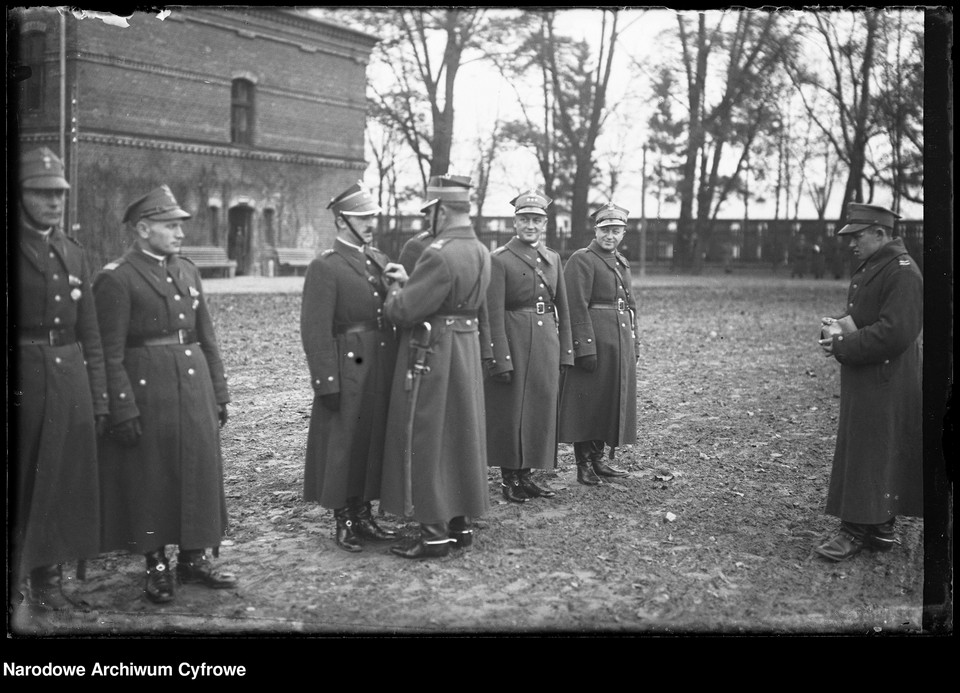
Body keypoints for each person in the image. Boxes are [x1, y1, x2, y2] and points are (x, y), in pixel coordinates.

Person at [93, 185, 237, 604]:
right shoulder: (116, 277)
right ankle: (155, 565)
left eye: (180, 226)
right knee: (152, 475)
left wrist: (219, 392)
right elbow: (108, 351)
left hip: (193, 386)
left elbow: (206, 336)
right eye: (169, 226)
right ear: (142, 229)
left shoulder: (187, 270)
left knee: (197, 468)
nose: (179, 233)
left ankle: (193, 559)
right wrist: (121, 407)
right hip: (147, 388)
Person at [11, 147, 109, 612]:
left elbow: (90, 331)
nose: (53, 202)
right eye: (42, 193)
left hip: (69, 373)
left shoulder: (73, 251)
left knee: (60, 478)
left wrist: (99, 397)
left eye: (60, 194)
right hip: (25, 375)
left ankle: (48, 582)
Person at [378, 174, 491, 558]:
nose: (429, 219)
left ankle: (433, 536)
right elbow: (452, 293)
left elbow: (404, 311)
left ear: (441, 210)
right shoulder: (479, 248)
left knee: (429, 438)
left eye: (431, 212)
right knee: (462, 437)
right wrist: (416, 281)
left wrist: (396, 289)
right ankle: (460, 527)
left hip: (435, 352)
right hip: (466, 349)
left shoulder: (438, 253)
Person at [814, 202, 923, 562]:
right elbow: (872, 316)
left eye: (857, 236)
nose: (851, 243)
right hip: (875, 375)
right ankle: (879, 528)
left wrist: (843, 342)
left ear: (881, 233)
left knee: (869, 451)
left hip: (884, 378)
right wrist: (843, 322)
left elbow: (896, 333)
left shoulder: (902, 272)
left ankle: (856, 530)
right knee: (876, 449)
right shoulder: (882, 265)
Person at [301, 182, 399, 552]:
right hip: (349, 363)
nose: (371, 223)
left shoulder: (378, 259)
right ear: (343, 222)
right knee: (345, 440)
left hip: (378, 360)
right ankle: (344, 519)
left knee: (371, 437)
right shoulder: (325, 266)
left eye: (372, 216)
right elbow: (315, 330)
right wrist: (326, 381)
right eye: (362, 218)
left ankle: (364, 513)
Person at [484, 190, 573, 503]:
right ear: (515, 222)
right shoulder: (499, 259)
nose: (530, 225)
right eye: (524, 219)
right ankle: (510, 476)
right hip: (514, 337)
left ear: (545, 224)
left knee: (540, 405)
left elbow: (563, 306)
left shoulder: (553, 259)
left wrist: (566, 350)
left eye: (536, 220)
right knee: (512, 409)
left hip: (546, 336)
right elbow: (492, 313)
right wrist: (500, 357)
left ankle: (527, 474)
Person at [558, 202, 639, 485]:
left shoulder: (622, 263)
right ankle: (583, 465)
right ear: (596, 230)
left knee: (608, 400)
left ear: (623, 233)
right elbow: (574, 306)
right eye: (606, 230)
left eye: (617, 231)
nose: (611, 236)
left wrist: (634, 343)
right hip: (595, 342)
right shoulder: (583, 259)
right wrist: (583, 346)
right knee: (587, 403)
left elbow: (631, 306)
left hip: (618, 343)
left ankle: (599, 460)